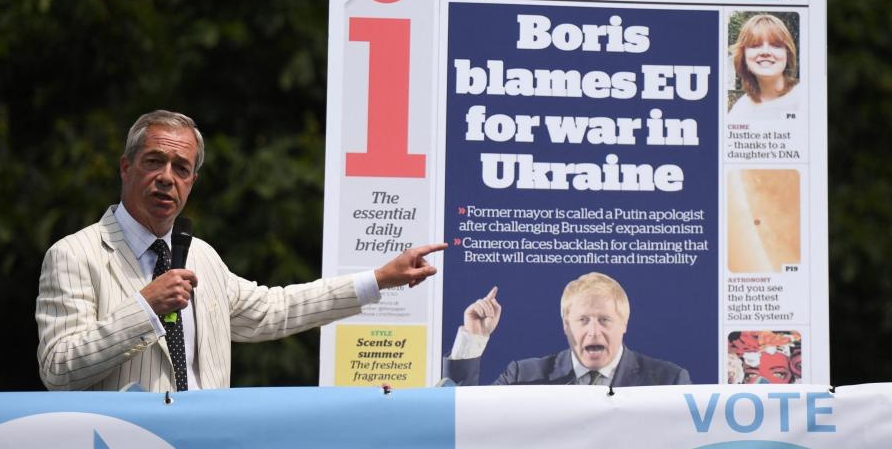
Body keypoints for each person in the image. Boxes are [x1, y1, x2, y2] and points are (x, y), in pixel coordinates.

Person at [36, 110, 445, 392]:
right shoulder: (75, 255)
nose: (166, 178)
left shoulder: (201, 256)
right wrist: (144, 309)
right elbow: (57, 369)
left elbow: (276, 310)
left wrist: (378, 280)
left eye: (181, 168)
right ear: (126, 168)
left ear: (192, 181)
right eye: (154, 161)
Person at [443, 272, 690, 386]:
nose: (593, 331)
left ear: (624, 323)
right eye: (583, 320)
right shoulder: (523, 377)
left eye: (605, 320)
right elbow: (460, 420)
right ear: (565, 325)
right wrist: (474, 337)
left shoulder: (668, 381)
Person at [728, 13, 801, 119]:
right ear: (743, 56)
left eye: (776, 45)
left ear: (787, 54)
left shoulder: (807, 97)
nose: (765, 52)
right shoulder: (739, 111)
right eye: (755, 45)